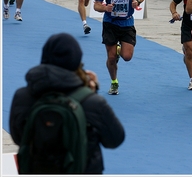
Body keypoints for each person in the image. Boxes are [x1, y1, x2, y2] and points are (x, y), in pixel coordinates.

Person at [9, 32, 125, 174]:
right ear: (76, 60)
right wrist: (91, 92)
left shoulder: (22, 96)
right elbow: (115, 139)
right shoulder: (92, 102)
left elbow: (18, 136)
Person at [93, 0, 146, 95]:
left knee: (127, 57)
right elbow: (96, 5)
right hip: (110, 23)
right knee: (111, 58)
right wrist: (105, 8)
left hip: (127, 23)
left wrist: (137, 1)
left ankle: (118, 49)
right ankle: (114, 82)